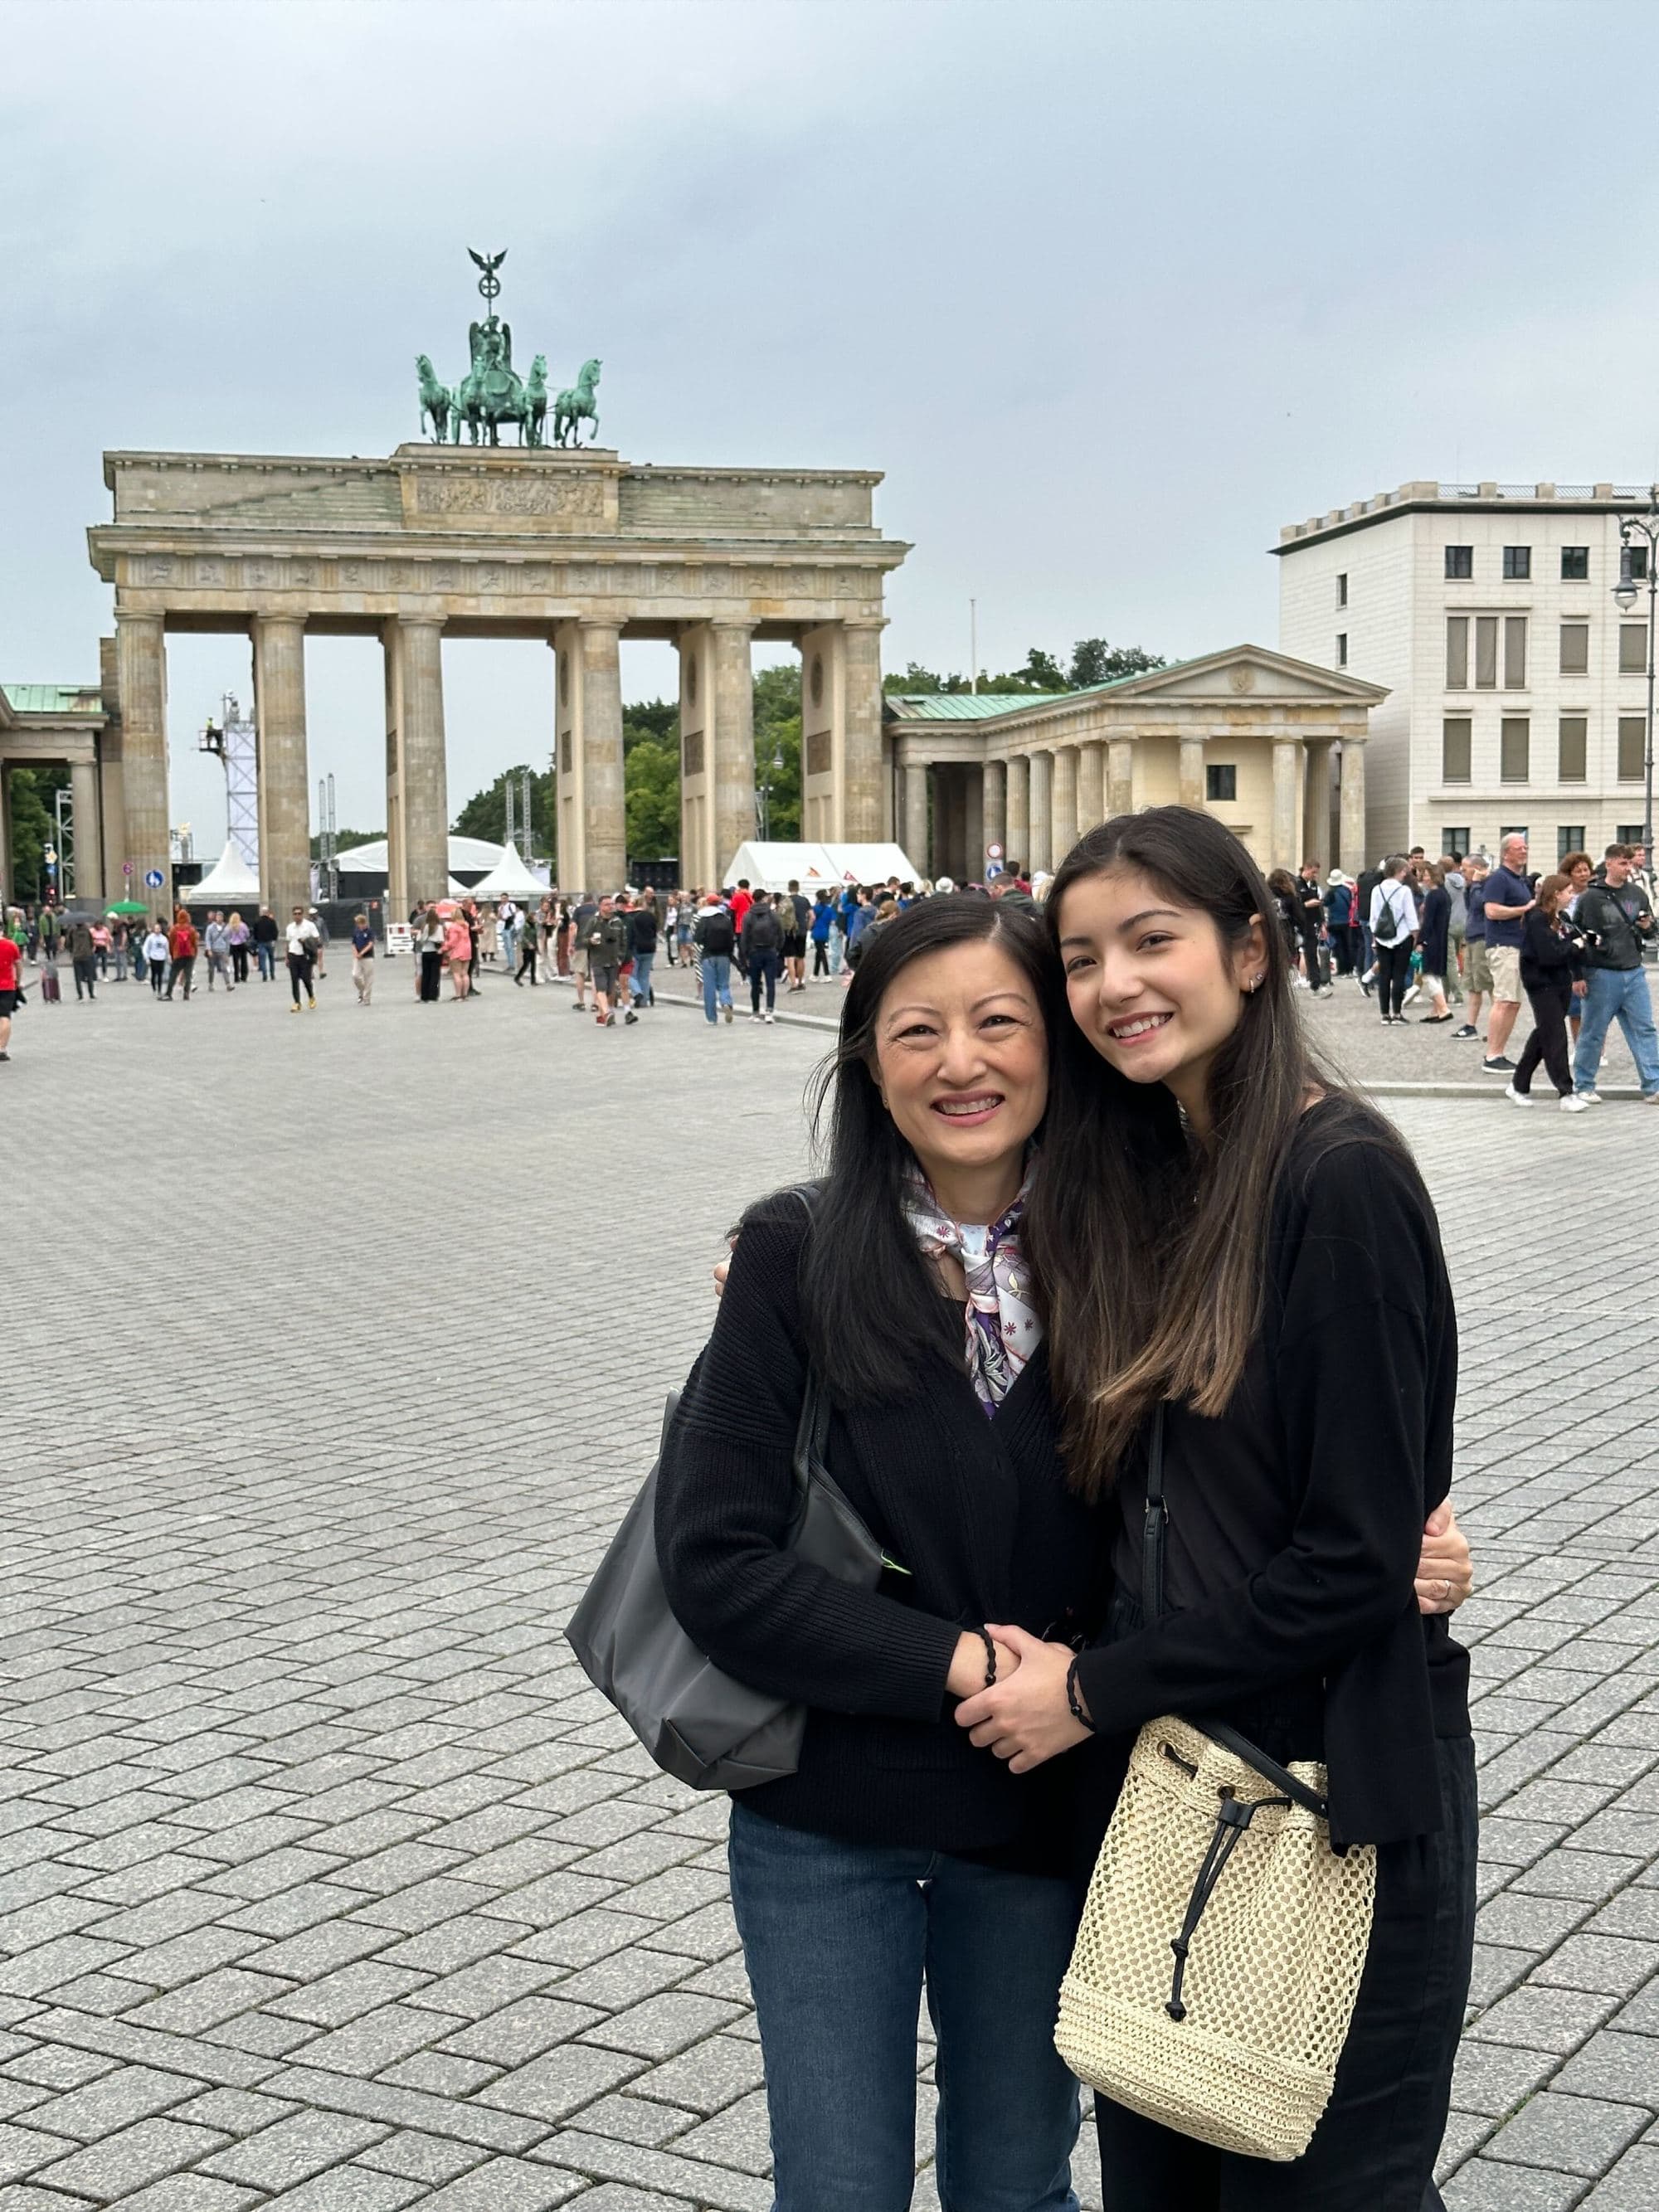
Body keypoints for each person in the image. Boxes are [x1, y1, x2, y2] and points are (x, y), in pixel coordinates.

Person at [960, 806, 1475, 2210]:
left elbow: (1353, 1561)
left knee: (1327, 2189)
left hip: (1329, 1789)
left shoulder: (1337, 1176)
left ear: (1250, 949)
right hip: (1175, 1781)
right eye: (1080, 957)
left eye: (1151, 939)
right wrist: (793, 1274)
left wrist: (1093, 1687)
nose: (1114, 982)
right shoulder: (1148, 1182)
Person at [1572, 844, 1659, 1103]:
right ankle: (1584, 1084)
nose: (1627, 869)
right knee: (1593, 1031)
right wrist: (1578, 975)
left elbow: (1650, 930)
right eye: (1622, 863)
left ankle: (1653, 1084)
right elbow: (1577, 937)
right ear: (1608, 864)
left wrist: (1647, 926)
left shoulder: (1637, 894)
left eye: (1629, 864)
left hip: (1633, 970)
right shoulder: (1591, 897)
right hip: (1601, 972)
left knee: (1645, 1029)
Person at [1506, 875, 1588, 1112]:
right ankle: (1566, 1092)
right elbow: (1548, 955)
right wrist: (1575, 946)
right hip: (1541, 983)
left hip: (1561, 982)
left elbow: (1574, 946)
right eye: (1569, 892)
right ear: (1556, 894)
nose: (1572, 896)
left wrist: (1582, 950)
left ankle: (1518, 1085)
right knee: (1555, 1036)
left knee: (1544, 1034)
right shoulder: (1536, 919)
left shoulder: (1562, 918)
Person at [1480, 832, 1535, 1073]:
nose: (1524, 851)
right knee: (1504, 1000)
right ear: (1505, 853)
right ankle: (1492, 1055)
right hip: (1504, 946)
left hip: (1517, 946)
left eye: (1525, 847)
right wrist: (1525, 909)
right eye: (1518, 848)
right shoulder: (1499, 879)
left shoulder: (1518, 880)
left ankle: (1498, 1052)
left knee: (1513, 1002)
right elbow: (1491, 911)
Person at [1369, 857, 1418, 1024]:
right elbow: (1411, 917)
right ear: (1401, 871)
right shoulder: (1404, 891)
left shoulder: (1377, 890)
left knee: (1384, 976)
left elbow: (1373, 917)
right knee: (1399, 975)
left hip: (1382, 937)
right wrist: (1415, 936)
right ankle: (1397, 1013)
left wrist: (1375, 938)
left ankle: (1384, 1014)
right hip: (1402, 936)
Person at [580, 893, 628, 1028]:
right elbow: (582, 940)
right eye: (607, 904)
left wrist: (620, 958)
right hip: (598, 959)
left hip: (613, 960)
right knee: (601, 987)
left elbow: (624, 941)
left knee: (610, 989)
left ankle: (601, 1017)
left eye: (612, 904)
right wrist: (590, 941)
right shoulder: (594, 921)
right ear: (600, 907)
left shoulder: (618, 921)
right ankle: (607, 1013)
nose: (611, 906)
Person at [1416, 863, 1453, 1022]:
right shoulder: (1444, 894)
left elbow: (1428, 922)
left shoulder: (1432, 895)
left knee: (1429, 975)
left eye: (1426, 875)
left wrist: (1421, 941)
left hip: (1431, 938)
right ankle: (1436, 1009)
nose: (1423, 878)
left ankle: (1443, 1008)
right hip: (1441, 937)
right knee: (1436, 975)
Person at [693, 892, 736, 1025]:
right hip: (724, 955)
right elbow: (731, 939)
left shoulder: (704, 919)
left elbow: (697, 938)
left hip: (708, 955)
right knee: (724, 984)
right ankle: (726, 1002)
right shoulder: (726, 920)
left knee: (709, 987)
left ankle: (711, 1018)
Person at [742, 892, 784, 1023]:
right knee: (770, 983)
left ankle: (755, 1012)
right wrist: (777, 949)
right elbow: (781, 934)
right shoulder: (773, 915)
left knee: (755, 983)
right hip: (770, 950)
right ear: (764, 899)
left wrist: (745, 955)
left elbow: (744, 937)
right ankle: (769, 1011)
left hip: (754, 952)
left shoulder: (748, 916)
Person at [626, 895, 657, 1023]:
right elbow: (655, 931)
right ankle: (644, 1001)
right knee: (644, 976)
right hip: (650, 948)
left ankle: (637, 992)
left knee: (631, 975)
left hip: (636, 948)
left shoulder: (631, 917)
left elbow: (629, 934)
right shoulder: (650, 916)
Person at [284, 906, 319, 1010]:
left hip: (305, 955)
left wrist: (306, 941)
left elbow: (317, 939)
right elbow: (288, 942)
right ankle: (297, 1002)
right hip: (293, 954)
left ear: (302, 915)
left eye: (299, 914)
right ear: (293, 915)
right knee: (294, 979)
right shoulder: (290, 927)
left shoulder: (309, 925)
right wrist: (286, 957)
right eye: (295, 914)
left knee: (306, 979)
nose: (297, 916)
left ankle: (311, 997)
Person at [782, 879, 810, 992]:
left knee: (790, 958)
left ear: (789, 888)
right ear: (798, 888)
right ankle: (801, 982)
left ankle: (793, 984)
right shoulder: (804, 900)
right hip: (802, 931)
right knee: (801, 957)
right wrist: (807, 926)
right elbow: (812, 916)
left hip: (789, 931)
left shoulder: (785, 901)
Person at [166, 909, 198, 1000]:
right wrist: (194, 954)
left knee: (173, 974)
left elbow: (171, 943)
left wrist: (172, 955)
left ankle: (169, 993)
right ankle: (186, 993)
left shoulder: (174, 929)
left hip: (178, 955)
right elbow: (194, 944)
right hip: (189, 955)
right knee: (188, 975)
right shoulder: (191, 929)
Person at [0, 923, 21, 1060]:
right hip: (7, 986)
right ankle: (1, 1049)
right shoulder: (11, 945)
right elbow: (18, 965)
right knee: (5, 1017)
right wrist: (18, 980)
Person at [443, 906, 472, 1000]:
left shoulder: (454, 927)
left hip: (456, 951)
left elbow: (453, 941)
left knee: (456, 973)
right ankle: (465, 994)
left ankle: (458, 995)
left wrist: (444, 948)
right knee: (465, 973)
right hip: (467, 950)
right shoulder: (466, 925)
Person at [68, 916, 97, 1001]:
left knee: (78, 977)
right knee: (89, 976)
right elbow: (91, 943)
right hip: (87, 955)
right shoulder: (87, 931)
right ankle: (91, 994)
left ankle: (80, 995)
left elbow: (69, 944)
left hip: (77, 956)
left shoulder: (72, 931)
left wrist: (72, 950)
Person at [203, 911, 234, 992]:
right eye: (218, 917)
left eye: (221, 917)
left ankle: (228, 984)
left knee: (224, 968)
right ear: (215, 918)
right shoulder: (210, 927)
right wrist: (209, 949)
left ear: (223, 918)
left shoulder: (226, 928)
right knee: (211, 969)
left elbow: (228, 941)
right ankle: (211, 984)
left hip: (222, 950)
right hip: (213, 950)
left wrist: (227, 953)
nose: (219, 919)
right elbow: (208, 939)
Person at [350, 913, 375, 1004]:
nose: (357, 925)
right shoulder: (356, 931)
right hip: (357, 957)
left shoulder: (369, 931)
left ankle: (366, 998)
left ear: (363, 923)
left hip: (368, 957)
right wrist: (356, 953)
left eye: (359, 923)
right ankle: (362, 990)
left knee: (368, 977)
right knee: (355, 975)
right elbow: (353, 943)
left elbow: (370, 944)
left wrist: (362, 953)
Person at [143, 919, 169, 996]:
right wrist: (147, 958)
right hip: (153, 957)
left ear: (161, 929)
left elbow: (166, 948)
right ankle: (154, 988)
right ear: (154, 929)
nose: (157, 930)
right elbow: (146, 948)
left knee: (160, 974)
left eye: (158, 929)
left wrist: (168, 956)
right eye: (156, 929)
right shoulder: (150, 938)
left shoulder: (164, 938)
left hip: (161, 958)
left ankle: (160, 990)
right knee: (154, 974)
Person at [252, 906, 279, 983]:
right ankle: (272, 974)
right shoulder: (272, 921)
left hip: (261, 943)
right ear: (267, 913)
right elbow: (275, 931)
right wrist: (274, 939)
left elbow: (255, 933)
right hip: (270, 942)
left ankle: (264, 975)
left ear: (261, 913)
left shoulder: (257, 922)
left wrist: (257, 940)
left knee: (262, 960)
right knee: (271, 959)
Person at [226, 910, 251, 983]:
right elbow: (247, 934)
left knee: (235, 962)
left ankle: (236, 977)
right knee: (244, 961)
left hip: (233, 945)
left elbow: (227, 936)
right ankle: (244, 977)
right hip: (242, 944)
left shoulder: (229, 926)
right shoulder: (243, 925)